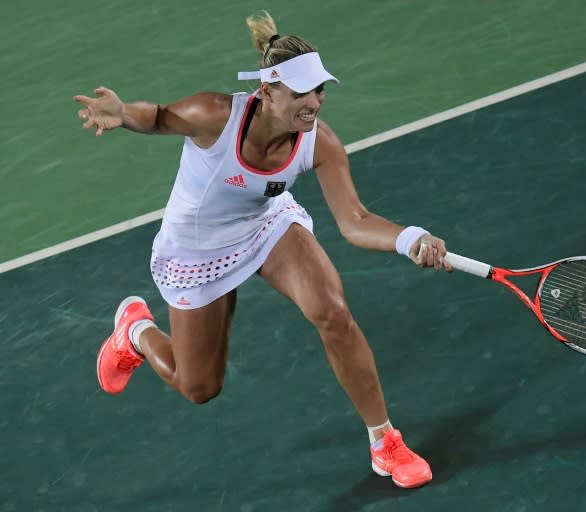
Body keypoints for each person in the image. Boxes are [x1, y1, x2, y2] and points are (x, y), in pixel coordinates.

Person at [74, 11, 452, 489]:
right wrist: (124, 113)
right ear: (267, 92)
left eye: (319, 91)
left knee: (334, 313)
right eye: (301, 93)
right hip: (195, 253)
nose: (314, 103)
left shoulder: (320, 142)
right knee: (199, 387)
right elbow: (161, 117)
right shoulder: (215, 115)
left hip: (264, 225)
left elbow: (354, 222)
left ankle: (385, 442)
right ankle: (135, 333)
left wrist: (410, 238)